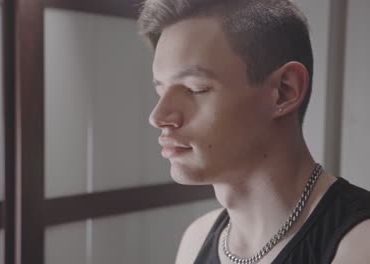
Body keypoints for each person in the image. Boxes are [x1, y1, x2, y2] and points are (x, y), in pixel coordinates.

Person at [137, 0, 370, 263]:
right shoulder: (195, 240)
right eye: (160, 90)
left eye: (195, 89)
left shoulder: (360, 246)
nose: (158, 117)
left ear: (284, 91)